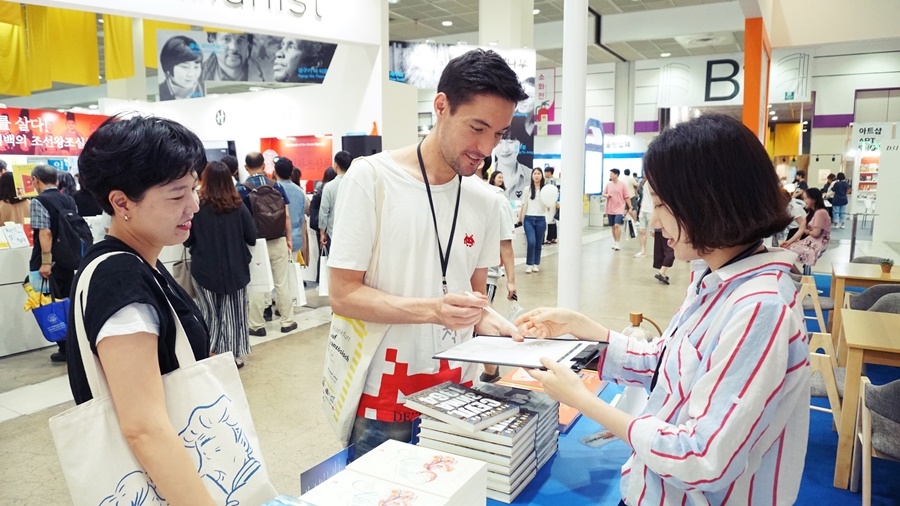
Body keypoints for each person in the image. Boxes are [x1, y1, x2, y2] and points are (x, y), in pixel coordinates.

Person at [516, 113, 808, 505]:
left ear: (709, 203)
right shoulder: (714, 279)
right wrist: (584, 329)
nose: (653, 220)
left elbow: (703, 457)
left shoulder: (759, 308)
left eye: (661, 204)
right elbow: (666, 363)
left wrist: (585, 401)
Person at [327, 49, 526, 458]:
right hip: (384, 393)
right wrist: (434, 309)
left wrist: (508, 330)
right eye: (478, 128)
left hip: (460, 393)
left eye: (499, 134)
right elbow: (343, 295)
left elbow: (474, 302)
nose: (486, 148)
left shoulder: (487, 200)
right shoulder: (372, 179)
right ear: (441, 107)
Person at [67, 114, 217, 504]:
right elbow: (143, 427)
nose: (194, 206)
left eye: (193, 189)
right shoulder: (120, 276)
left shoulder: (139, 263)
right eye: (176, 195)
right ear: (121, 202)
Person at [185, 161, 257, 369]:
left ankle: (208, 353)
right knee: (233, 315)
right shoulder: (237, 205)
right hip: (236, 271)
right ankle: (230, 357)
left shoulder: (197, 207)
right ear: (229, 179)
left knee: (208, 313)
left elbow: (188, 240)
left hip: (204, 270)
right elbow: (251, 237)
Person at [238, 152, 296, 336]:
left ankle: (257, 325)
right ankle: (287, 321)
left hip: (255, 243)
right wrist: (288, 239)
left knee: (257, 284)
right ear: (264, 166)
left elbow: (240, 220)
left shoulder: (241, 189)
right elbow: (286, 215)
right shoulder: (277, 185)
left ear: (246, 167)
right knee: (282, 283)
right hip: (278, 239)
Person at [30, 164, 78, 362]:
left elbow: (45, 232)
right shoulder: (69, 199)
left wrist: (46, 262)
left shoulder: (39, 201)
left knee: (47, 305)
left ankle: (64, 347)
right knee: (67, 302)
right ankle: (72, 346)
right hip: (67, 260)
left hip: (47, 264)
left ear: (36, 180)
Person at [273, 156, 310, 266]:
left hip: (277, 240)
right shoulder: (300, 191)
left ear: (275, 171)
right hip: (296, 239)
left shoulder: (273, 190)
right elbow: (305, 210)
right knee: (294, 273)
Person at [784, 187, 831, 269]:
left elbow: (816, 233)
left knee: (787, 253)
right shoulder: (811, 212)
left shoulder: (820, 212)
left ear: (814, 199)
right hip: (811, 240)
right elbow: (801, 229)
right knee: (785, 250)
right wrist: (788, 242)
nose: (804, 201)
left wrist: (807, 231)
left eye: (806, 198)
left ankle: (799, 276)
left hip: (818, 242)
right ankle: (798, 276)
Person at [318, 150, 351, 253]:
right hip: (352, 232)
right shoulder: (355, 184)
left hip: (334, 232)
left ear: (336, 165)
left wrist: (322, 232)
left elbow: (324, 211)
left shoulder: (329, 186)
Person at [518, 168, 550, 273]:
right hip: (529, 219)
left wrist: (549, 205)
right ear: (532, 176)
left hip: (541, 219)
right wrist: (520, 218)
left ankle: (536, 263)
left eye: (538, 173)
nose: (536, 176)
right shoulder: (527, 189)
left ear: (542, 176)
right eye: (534, 173)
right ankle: (529, 264)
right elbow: (523, 204)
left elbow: (549, 203)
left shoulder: (545, 189)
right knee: (531, 242)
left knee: (538, 243)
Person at [492, 122, 531, 201]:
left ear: (520, 144)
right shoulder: (487, 174)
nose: (505, 149)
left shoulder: (530, 175)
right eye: (499, 142)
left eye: (510, 142)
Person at [158, 35, 204, 100]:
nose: (191, 74)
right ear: (168, 67)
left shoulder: (205, 89)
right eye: (185, 67)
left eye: (196, 67)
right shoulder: (157, 92)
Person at [603, 168, 632, 251]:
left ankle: (618, 242)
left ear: (616, 175)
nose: (610, 175)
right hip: (610, 208)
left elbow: (626, 197)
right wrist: (606, 195)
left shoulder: (623, 185)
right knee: (612, 226)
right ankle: (615, 241)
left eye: (611, 174)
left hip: (620, 208)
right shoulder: (608, 184)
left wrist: (630, 207)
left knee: (617, 225)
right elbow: (603, 193)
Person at [634, 179, 653, 258]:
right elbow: (644, 197)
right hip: (643, 210)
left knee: (654, 233)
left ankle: (664, 252)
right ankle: (643, 251)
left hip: (651, 210)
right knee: (642, 231)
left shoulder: (656, 182)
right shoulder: (645, 183)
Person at [543, 167, 558, 245]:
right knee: (552, 220)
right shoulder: (552, 180)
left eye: (546, 172)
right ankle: (553, 237)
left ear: (550, 172)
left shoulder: (550, 181)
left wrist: (548, 203)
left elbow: (549, 192)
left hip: (550, 202)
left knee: (549, 220)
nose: (545, 173)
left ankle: (549, 238)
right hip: (553, 202)